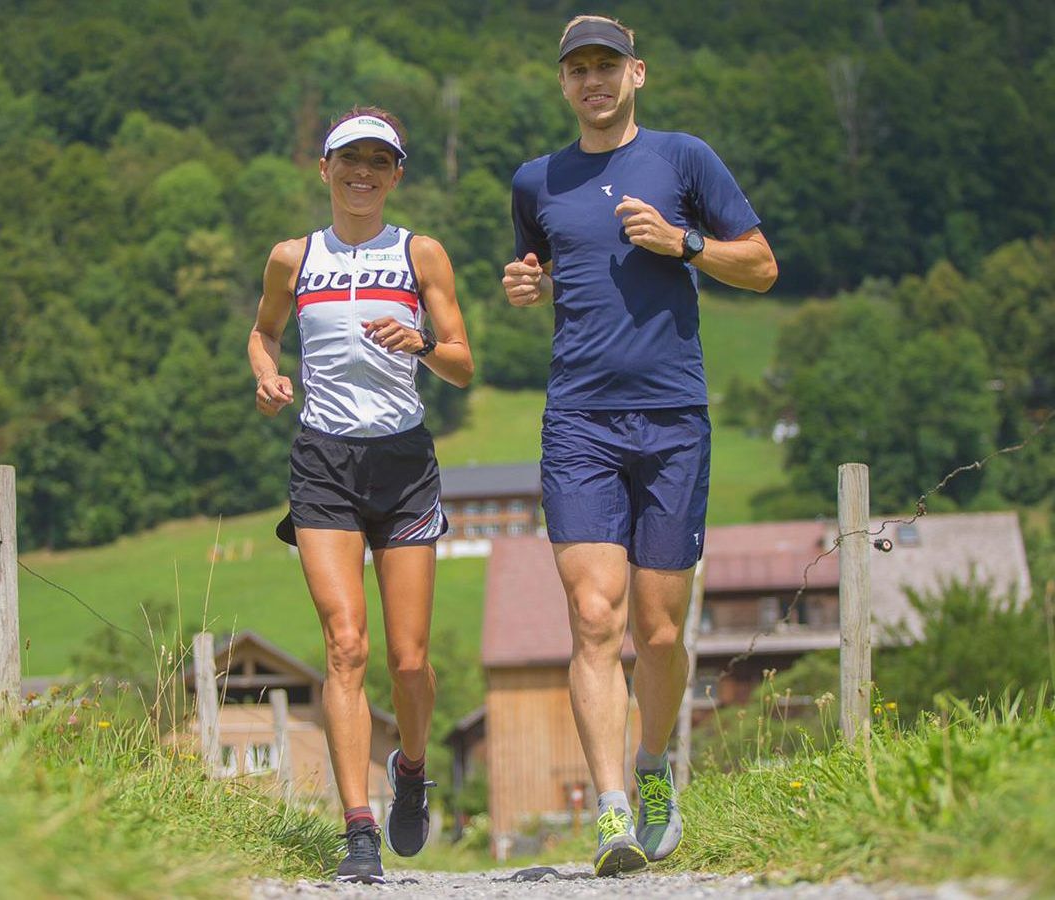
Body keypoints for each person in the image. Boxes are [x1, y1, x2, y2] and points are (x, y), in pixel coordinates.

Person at [502, 15, 778, 878]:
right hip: (579, 420)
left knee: (658, 633)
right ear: (562, 83)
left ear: (638, 74)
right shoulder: (536, 179)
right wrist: (524, 282)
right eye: (578, 69)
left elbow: (762, 266)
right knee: (594, 617)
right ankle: (611, 809)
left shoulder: (684, 159)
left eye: (607, 66)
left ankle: (653, 766)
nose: (593, 80)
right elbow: (536, 263)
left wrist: (683, 242)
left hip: (672, 418)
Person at [248, 106, 474, 884]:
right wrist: (267, 375)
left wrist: (424, 343)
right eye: (350, 159)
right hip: (324, 463)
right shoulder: (292, 257)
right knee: (346, 646)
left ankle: (410, 766)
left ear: (396, 175)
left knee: (409, 662)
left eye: (379, 162)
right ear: (325, 169)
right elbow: (264, 332)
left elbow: (463, 363)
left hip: (404, 464)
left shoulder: (420, 253)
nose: (363, 174)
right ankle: (358, 830)